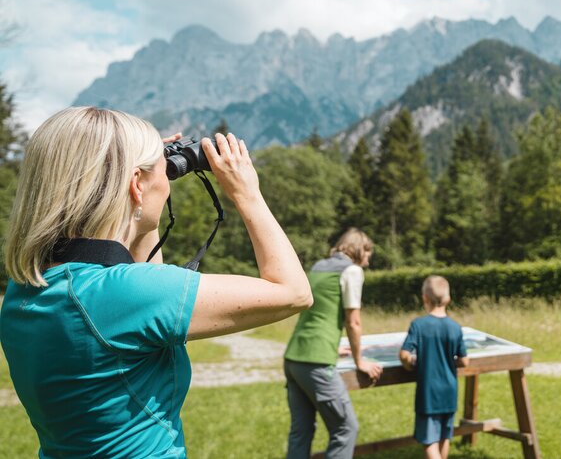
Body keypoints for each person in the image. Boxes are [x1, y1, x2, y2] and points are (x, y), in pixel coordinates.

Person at [0, 107, 313, 458]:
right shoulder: (125, 294)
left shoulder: (26, 290)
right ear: (135, 183)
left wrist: (146, 187)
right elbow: (293, 293)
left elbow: (135, 271)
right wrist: (247, 193)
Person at [283, 228, 383, 459]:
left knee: (301, 430)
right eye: (368, 252)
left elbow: (315, 313)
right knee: (346, 428)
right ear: (358, 249)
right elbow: (353, 321)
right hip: (316, 362)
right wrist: (360, 361)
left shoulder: (318, 267)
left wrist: (332, 345)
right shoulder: (352, 271)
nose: (368, 259)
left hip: (294, 357)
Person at [399, 276, 469, 459]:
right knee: (444, 437)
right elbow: (464, 361)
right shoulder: (455, 327)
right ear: (448, 299)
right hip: (449, 391)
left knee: (429, 442)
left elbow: (404, 354)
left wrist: (410, 364)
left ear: (424, 298)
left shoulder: (419, 325)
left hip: (429, 393)